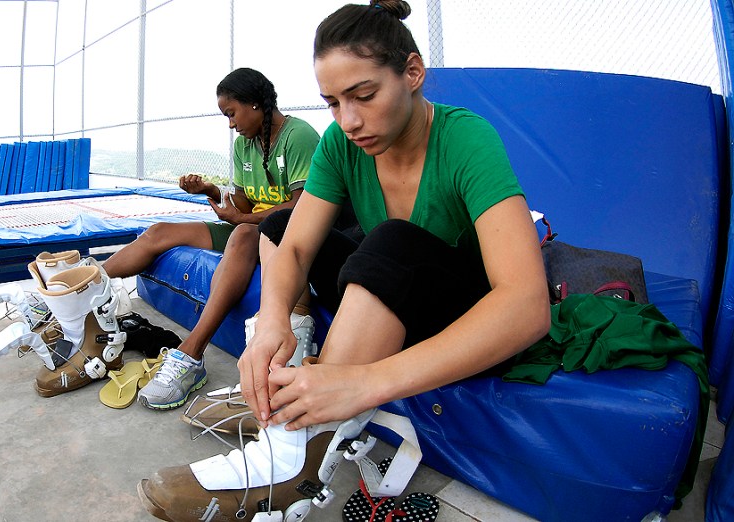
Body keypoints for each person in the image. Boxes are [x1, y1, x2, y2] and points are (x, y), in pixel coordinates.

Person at [137, 2, 550, 519]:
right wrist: (271, 325)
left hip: (459, 312)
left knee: (393, 241)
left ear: (413, 74)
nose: (348, 120)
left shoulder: (467, 138)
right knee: (278, 225)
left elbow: (528, 305)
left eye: (365, 95)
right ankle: (297, 371)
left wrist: (367, 384)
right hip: (390, 288)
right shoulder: (341, 143)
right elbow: (294, 247)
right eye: (332, 103)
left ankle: (301, 448)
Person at [101, 67, 321, 411]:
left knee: (244, 235)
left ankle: (191, 355)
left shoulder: (298, 135)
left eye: (231, 114)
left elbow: (303, 207)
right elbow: (245, 203)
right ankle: (87, 284)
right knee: (160, 232)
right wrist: (212, 192)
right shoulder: (243, 146)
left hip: (285, 234)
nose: (231, 124)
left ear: (255, 104)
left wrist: (244, 219)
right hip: (250, 225)